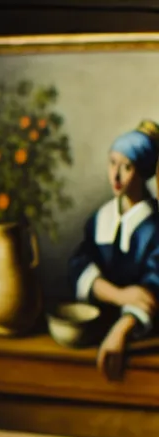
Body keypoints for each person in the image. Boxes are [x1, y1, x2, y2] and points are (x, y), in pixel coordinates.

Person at [68, 119, 159, 380]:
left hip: (139, 338)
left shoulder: (155, 226)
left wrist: (121, 330)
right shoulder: (101, 218)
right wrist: (119, 295)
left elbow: (153, 288)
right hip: (96, 331)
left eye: (126, 167)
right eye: (112, 163)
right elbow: (78, 265)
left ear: (142, 172)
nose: (115, 176)